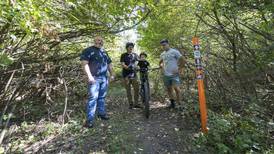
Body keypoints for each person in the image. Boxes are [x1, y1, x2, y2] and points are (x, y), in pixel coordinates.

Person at [80, 36, 114, 128]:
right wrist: (89, 76)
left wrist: (112, 74)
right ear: (94, 41)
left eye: (101, 40)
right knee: (93, 98)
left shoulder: (104, 52)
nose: (100, 42)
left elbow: (109, 64)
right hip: (94, 78)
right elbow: (84, 64)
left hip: (104, 78)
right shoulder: (88, 50)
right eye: (98, 40)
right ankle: (89, 120)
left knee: (102, 97)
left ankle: (101, 114)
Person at [159, 39, 185, 109]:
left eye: (164, 45)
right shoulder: (162, 54)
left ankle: (179, 104)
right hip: (166, 74)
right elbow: (160, 62)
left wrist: (180, 68)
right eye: (162, 46)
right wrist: (161, 67)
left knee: (176, 88)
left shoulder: (174, 51)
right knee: (169, 89)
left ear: (168, 44)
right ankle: (172, 104)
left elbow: (182, 59)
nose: (163, 46)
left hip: (174, 74)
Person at [120, 42, 141, 109]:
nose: (131, 47)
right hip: (126, 75)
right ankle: (130, 104)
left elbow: (139, 62)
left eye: (132, 46)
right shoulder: (123, 55)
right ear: (127, 47)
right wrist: (128, 67)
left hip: (134, 75)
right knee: (128, 90)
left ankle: (136, 103)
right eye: (129, 46)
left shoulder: (135, 55)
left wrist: (138, 67)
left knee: (136, 89)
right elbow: (122, 64)